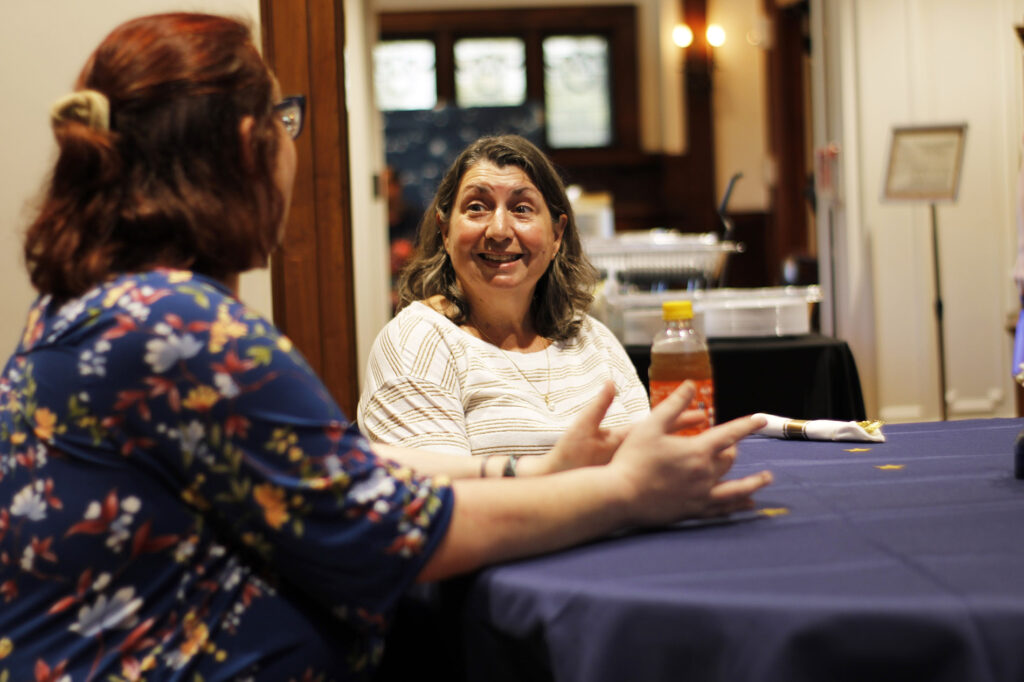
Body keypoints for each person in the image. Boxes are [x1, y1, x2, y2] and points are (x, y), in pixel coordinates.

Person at [0, 13, 772, 681]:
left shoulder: (95, 311)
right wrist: (624, 492)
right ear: (248, 146)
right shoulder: (183, 329)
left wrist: (532, 469)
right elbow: (386, 531)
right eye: (286, 121)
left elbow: (345, 474)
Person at [358, 135, 651, 465]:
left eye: (522, 209)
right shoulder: (416, 343)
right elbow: (450, 502)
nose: (499, 230)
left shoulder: (593, 339)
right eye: (477, 208)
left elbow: (650, 465)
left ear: (556, 235)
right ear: (445, 231)